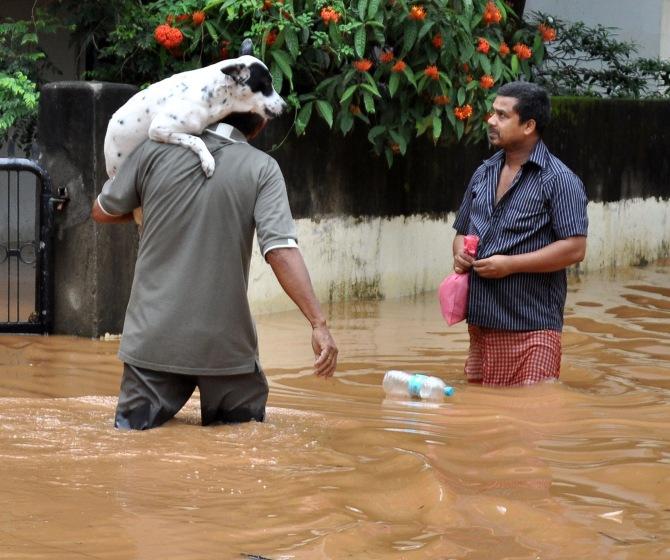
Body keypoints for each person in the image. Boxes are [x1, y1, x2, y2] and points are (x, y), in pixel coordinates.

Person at [91, 111, 338, 429]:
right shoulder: (261, 168)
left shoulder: (152, 152)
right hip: (226, 348)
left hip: (151, 340)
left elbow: (101, 211)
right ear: (261, 124)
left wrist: (150, 209)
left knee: (132, 442)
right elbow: (280, 251)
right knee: (238, 446)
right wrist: (318, 323)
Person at [452, 81, 588, 386]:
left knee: (532, 419)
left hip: (533, 329)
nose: (490, 120)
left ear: (529, 125)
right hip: (481, 324)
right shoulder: (483, 172)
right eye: (492, 113)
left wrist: (511, 264)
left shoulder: (560, 180)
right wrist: (459, 253)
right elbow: (461, 231)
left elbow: (575, 249)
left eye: (502, 115)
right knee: (483, 416)